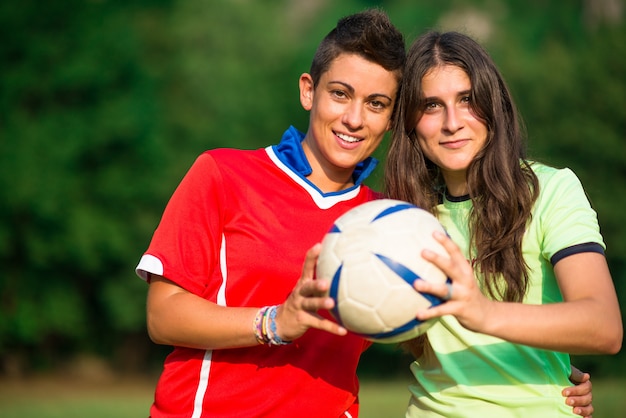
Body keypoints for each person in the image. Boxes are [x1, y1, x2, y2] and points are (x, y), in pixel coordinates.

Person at [136, 9, 595, 417]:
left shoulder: (394, 218)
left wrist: (541, 364)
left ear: (394, 119)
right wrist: (275, 322)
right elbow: (162, 315)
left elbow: (414, 322)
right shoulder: (223, 172)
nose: (355, 119)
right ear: (308, 91)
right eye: (340, 94)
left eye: (376, 104)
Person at [384, 30, 623, 418]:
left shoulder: (551, 190)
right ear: (410, 123)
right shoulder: (402, 216)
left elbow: (605, 326)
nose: (452, 122)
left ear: (493, 105)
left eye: (467, 100)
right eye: (431, 106)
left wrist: (484, 314)